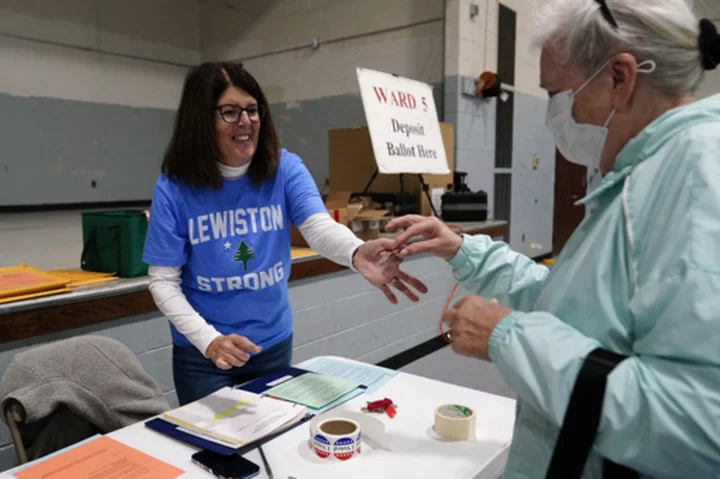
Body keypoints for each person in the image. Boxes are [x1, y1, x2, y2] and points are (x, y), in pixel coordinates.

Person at [386, 0, 720, 477]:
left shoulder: (696, 177)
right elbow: (580, 307)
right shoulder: (644, 173)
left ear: (619, 78)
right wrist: (462, 248)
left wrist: (508, 336)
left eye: (557, 93)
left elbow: (701, 425)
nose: (554, 114)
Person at [142, 62, 427, 406]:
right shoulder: (175, 188)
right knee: (215, 453)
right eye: (230, 112)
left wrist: (355, 252)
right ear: (201, 120)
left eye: (252, 109)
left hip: (271, 345)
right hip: (206, 358)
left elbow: (317, 227)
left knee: (274, 442)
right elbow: (163, 281)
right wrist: (209, 340)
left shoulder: (284, 167)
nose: (246, 121)